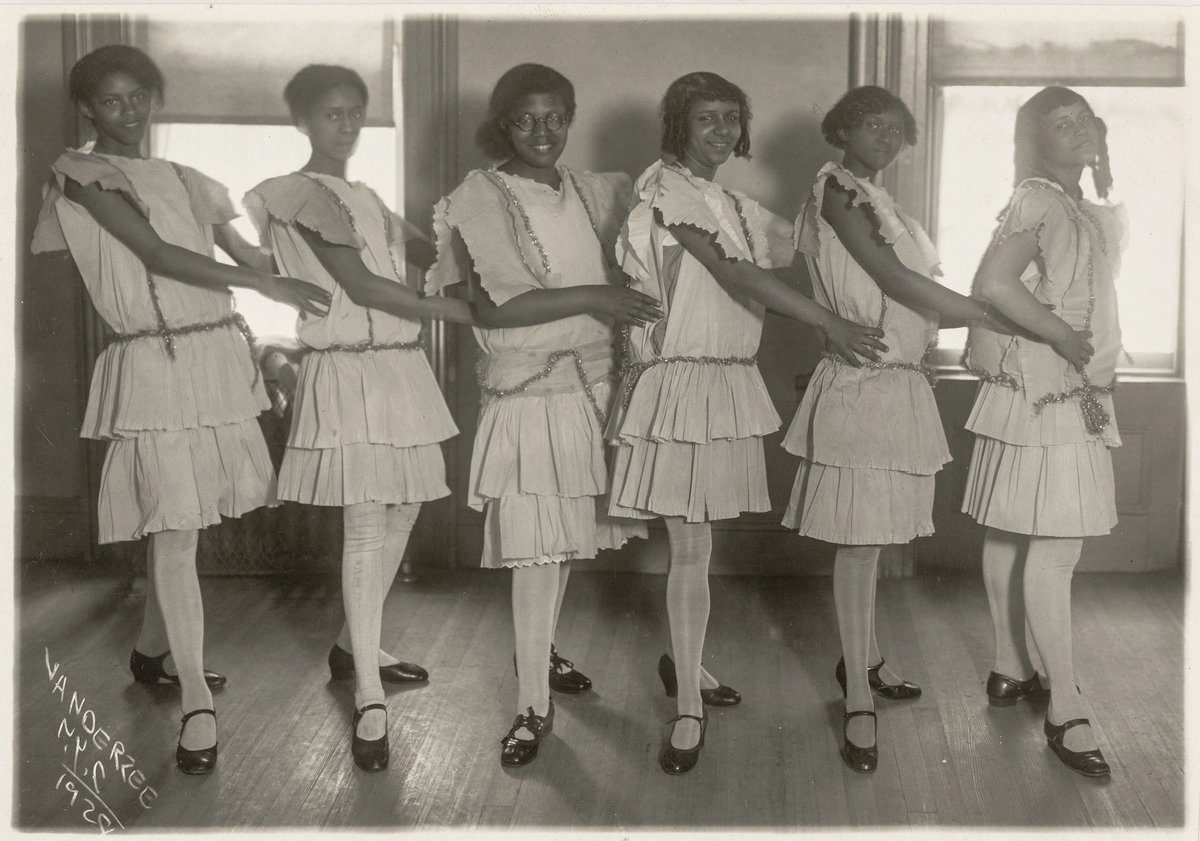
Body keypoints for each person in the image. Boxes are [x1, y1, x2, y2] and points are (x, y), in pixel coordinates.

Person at [30, 45, 330, 774]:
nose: (127, 111)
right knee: (173, 530)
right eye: (110, 101)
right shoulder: (79, 174)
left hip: (212, 357)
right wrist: (269, 289)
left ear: (155, 99)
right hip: (153, 359)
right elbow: (157, 254)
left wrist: (317, 260)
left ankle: (150, 652)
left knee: (181, 524)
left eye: (138, 97)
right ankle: (196, 698)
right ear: (87, 110)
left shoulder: (190, 179)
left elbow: (250, 257)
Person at [608, 72, 887, 775]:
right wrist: (830, 321)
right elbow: (734, 275)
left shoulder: (727, 199)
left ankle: (688, 665)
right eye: (707, 119)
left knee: (700, 545)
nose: (724, 131)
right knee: (691, 547)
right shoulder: (665, 190)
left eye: (733, 117)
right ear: (678, 125)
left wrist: (842, 184)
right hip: (682, 385)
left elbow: (803, 247)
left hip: (724, 382)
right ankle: (687, 712)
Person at [427, 63, 654, 768]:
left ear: (571, 117)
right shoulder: (481, 194)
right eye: (525, 119)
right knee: (534, 550)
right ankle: (531, 705)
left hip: (589, 388)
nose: (542, 131)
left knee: (558, 544)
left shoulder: (588, 190)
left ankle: (541, 655)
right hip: (527, 397)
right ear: (503, 123)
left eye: (555, 116)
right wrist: (598, 297)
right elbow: (495, 307)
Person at [246, 65, 471, 773]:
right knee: (368, 522)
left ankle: (354, 645)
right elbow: (363, 284)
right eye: (331, 114)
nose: (344, 126)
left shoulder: (367, 195)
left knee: (405, 505)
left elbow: (425, 253)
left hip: (398, 365)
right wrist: (456, 309)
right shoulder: (292, 194)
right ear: (304, 122)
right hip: (346, 365)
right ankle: (368, 695)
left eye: (354, 114)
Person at [783, 85, 1015, 773]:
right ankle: (856, 692)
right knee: (859, 545)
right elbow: (894, 280)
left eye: (895, 128)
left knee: (876, 536)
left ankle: (868, 657)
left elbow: (908, 292)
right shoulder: (835, 190)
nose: (884, 136)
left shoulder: (885, 204)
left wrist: (945, 334)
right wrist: (993, 313)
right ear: (842, 128)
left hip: (898, 382)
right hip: (862, 385)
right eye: (869, 124)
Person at [962, 86, 1121, 779]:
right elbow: (993, 284)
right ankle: (1065, 704)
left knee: (1013, 530)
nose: (1079, 128)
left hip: (1037, 388)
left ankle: (1007, 666)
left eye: (1085, 119)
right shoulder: (1041, 199)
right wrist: (1064, 335)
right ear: (1038, 142)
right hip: (1050, 387)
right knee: (1055, 551)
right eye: (1062, 124)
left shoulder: (1070, 204)